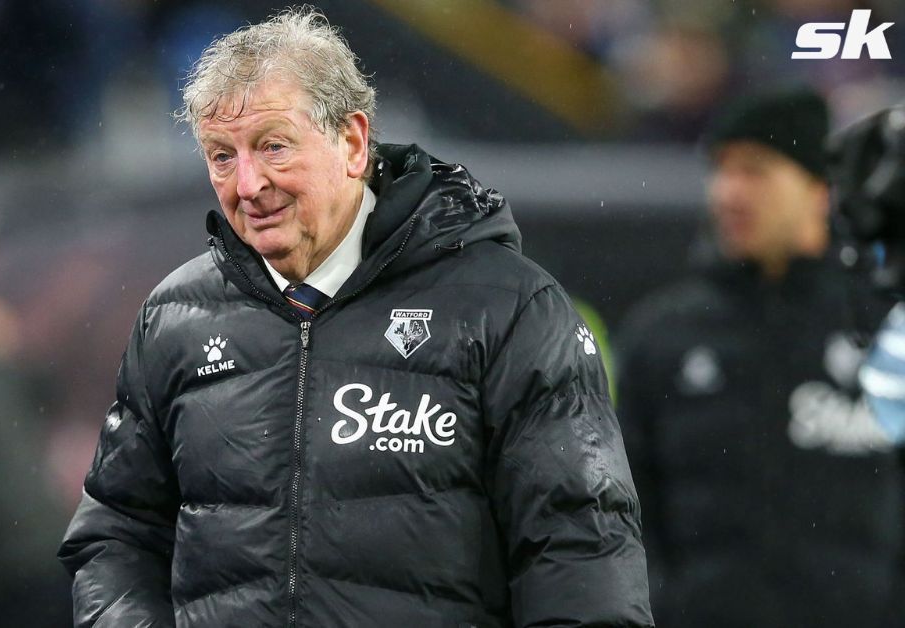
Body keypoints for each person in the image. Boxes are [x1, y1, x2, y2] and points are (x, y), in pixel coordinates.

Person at [59, 8, 653, 627]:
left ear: (352, 141)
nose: (247, 183)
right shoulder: (176, 317)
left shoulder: (505, 309)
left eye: (272, 145)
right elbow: (116, 531)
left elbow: (579, 547)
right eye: (221, 156)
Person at [616, 87, 905, 628]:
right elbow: (619, 519)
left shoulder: (886, 326)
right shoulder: (662, 335)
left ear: (820, 189)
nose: (727, 193)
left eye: (755, 171)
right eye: (721, 170)